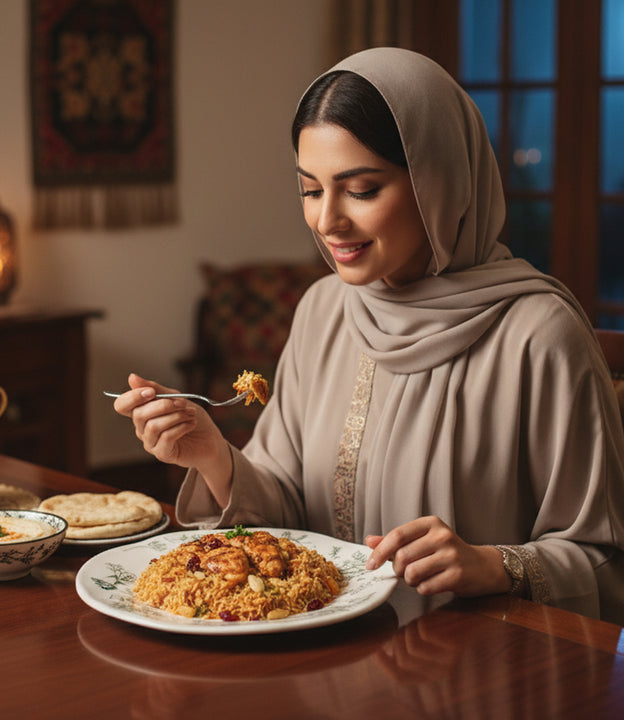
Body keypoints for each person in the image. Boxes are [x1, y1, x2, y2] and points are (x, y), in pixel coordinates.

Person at [114, 48, 624, 623]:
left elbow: (604, 563)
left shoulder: (540, 336)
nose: (327, 220)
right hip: (325, 677)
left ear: (441, 183)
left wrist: (494, 566)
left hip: (478, 674)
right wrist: (210, 454)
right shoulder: (323, 310)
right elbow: (286, 513)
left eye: (360, 189)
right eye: (311, 190)